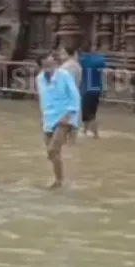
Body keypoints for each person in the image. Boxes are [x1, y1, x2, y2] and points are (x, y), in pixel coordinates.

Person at [36, 52, 81, 189]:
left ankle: (59, 181)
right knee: (52, 154)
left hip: (64, 116)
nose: (52, 66)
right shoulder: (39, 79)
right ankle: (60, 180)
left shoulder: (64, 75)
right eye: (47, 64)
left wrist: (70, 115)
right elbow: (43, 98)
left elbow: (75, 96)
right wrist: (43, 117)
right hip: (48, 118)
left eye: (53, 63)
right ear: (42, 65)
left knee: (52, 149)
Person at [79, 50, 105, 138]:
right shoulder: (99, 60)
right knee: (91, 112)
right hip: (97, 89)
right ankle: (85, 130)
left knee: (89, 114)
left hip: (87, 90)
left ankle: (96, 135)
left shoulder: (84, 61)